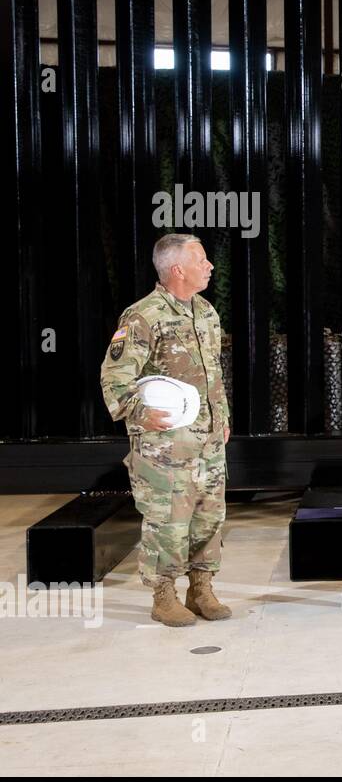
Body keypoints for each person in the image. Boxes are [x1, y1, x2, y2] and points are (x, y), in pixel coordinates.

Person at [100, 233, 232, 627]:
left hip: (207, 440)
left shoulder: (206, 311)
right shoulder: (143, 316)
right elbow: (115, 377)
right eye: (202, 259)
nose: (209, 266)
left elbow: (214, 374)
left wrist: (221, 416)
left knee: (209, 517)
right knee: (168, 521)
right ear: (178, 269)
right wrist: (140, 411)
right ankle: (163, 596)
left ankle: (201, 589)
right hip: (164, 446)